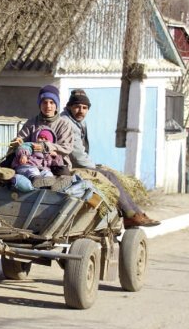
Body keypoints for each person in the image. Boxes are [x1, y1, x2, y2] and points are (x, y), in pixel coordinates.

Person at [60, 89, 160, 228]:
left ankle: (137, 213)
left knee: (109, 173)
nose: (81, 110)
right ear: (70, 106)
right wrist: (95, 168)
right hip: (68, 167)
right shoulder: (67, 123)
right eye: (77, 107)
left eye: (84, 108)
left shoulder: (76, 120)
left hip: (76, 163)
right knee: (108, 176)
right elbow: (78, 157)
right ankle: (130, 214)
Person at [11, 85, 74, 168]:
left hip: (57, 165)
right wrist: (18, 142)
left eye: (51, 102)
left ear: (56, 105)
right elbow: (21, 141)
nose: (48, 106)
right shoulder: (31, 123)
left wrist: (45, 147)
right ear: (39, 105)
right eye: (44, 102)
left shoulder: (64, 124)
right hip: (32, 163)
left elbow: (66, 147)